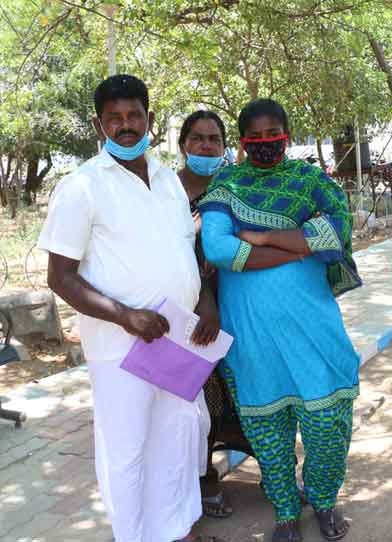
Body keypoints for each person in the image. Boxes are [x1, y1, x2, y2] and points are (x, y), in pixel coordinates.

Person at [38, 74, 220, 542]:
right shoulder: (82, 186)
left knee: (175, 442)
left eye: (133, 116)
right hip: (120, 348)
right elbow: (60, 276)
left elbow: (185, 253)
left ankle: (178, 530)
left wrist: (204, 302)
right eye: (113, 119)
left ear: (149, 119)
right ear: (99, 126)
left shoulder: (167, 180)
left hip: (177, 338)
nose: (125, 126)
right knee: (127, 452)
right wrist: (124, 316)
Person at [198, 98, 361, 542]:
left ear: (287, 135)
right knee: (268, 433)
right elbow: (218, 249)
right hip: (253, 337)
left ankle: (324, 501)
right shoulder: (226, 184)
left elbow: (336, 235)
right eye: (257, 138)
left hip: (313, 330)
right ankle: (286, 512)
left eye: (275, 136)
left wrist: (263, 235)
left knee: (327, 425)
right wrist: (297, 245)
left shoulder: (311, 182)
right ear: (243, 140)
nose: (267, 145)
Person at [177, 110, 239, 520]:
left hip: (235, 303)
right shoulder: (165, 191)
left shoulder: (234, 187)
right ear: (183, 144)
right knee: (195, 396)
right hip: (185, 308)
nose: (205, 147)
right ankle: (202, 478)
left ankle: (274, 471)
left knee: (241, 392)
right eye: (197, 139)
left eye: (214, 139)